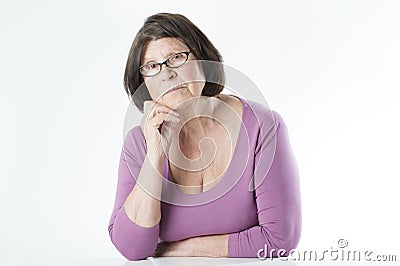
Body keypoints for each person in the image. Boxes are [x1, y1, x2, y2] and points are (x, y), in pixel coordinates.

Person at [108, 12, 301, 261]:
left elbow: (279, 240)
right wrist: (155, 155)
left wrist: (183, 249)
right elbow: (132, 249)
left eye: (176, 58)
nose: (166, 74)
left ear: (203, 60)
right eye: (152, 67)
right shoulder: (139, 143)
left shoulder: (263, 126)